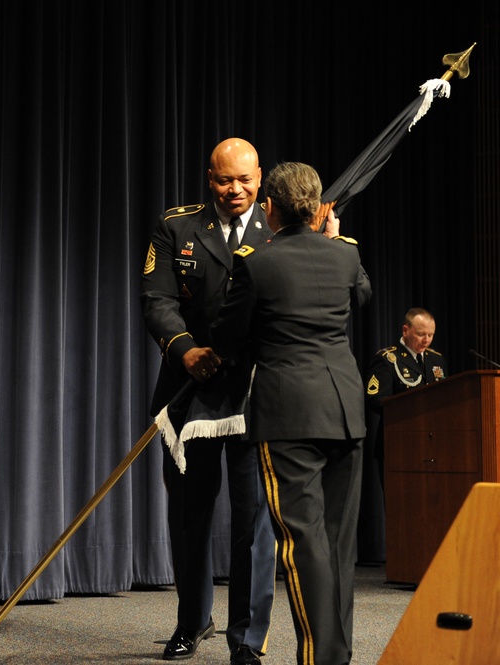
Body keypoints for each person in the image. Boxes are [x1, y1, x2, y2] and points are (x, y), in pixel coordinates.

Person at [210, 162, 372, 665]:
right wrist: (335, 237)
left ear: (270, 207)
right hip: (345, 410)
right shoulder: (345, 257)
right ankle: (335, 658)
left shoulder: (257, 263)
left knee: (304, 547)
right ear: (319, 206)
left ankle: (321, 660)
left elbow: (228, 341)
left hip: (288, 418)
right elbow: (361, 294)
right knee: (338, 549)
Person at [141, 138, 277, 664]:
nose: (235, 189)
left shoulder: (280, 230)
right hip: (189, 390)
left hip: (253, 394)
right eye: (224, 180)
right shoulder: (177, 227)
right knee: (189, 514)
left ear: (260, 178)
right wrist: (185, 349)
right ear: (209, 177)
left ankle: (245, 638)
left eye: (244, 180)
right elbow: (157, 299)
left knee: (252, 519)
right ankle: (192, 620)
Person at [365, 308, 449, 487]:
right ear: (405, 330)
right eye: (420, 334)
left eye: (430, 335)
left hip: (433, 445)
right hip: (399, 442)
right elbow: (375, 399)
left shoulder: (436, 360)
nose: (426, 340)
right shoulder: (388, 359)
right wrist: (410, 409)